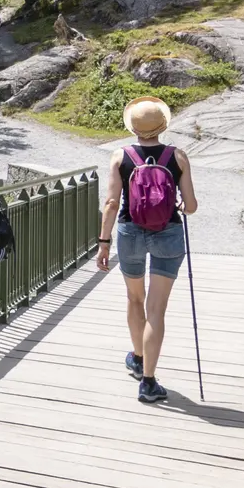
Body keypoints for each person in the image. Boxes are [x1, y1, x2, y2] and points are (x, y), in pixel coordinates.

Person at [95, 96, 199, 403]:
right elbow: (190, 207)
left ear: (133, 127)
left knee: (134, 298)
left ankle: (138, 359)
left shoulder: (120, 156)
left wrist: (104, 242)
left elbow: (112, 203)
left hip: (130, 232)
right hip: (168, 232)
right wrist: (179, 204)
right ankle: (150, 382)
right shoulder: (177, 156)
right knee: (156, 310)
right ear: (162, 126)